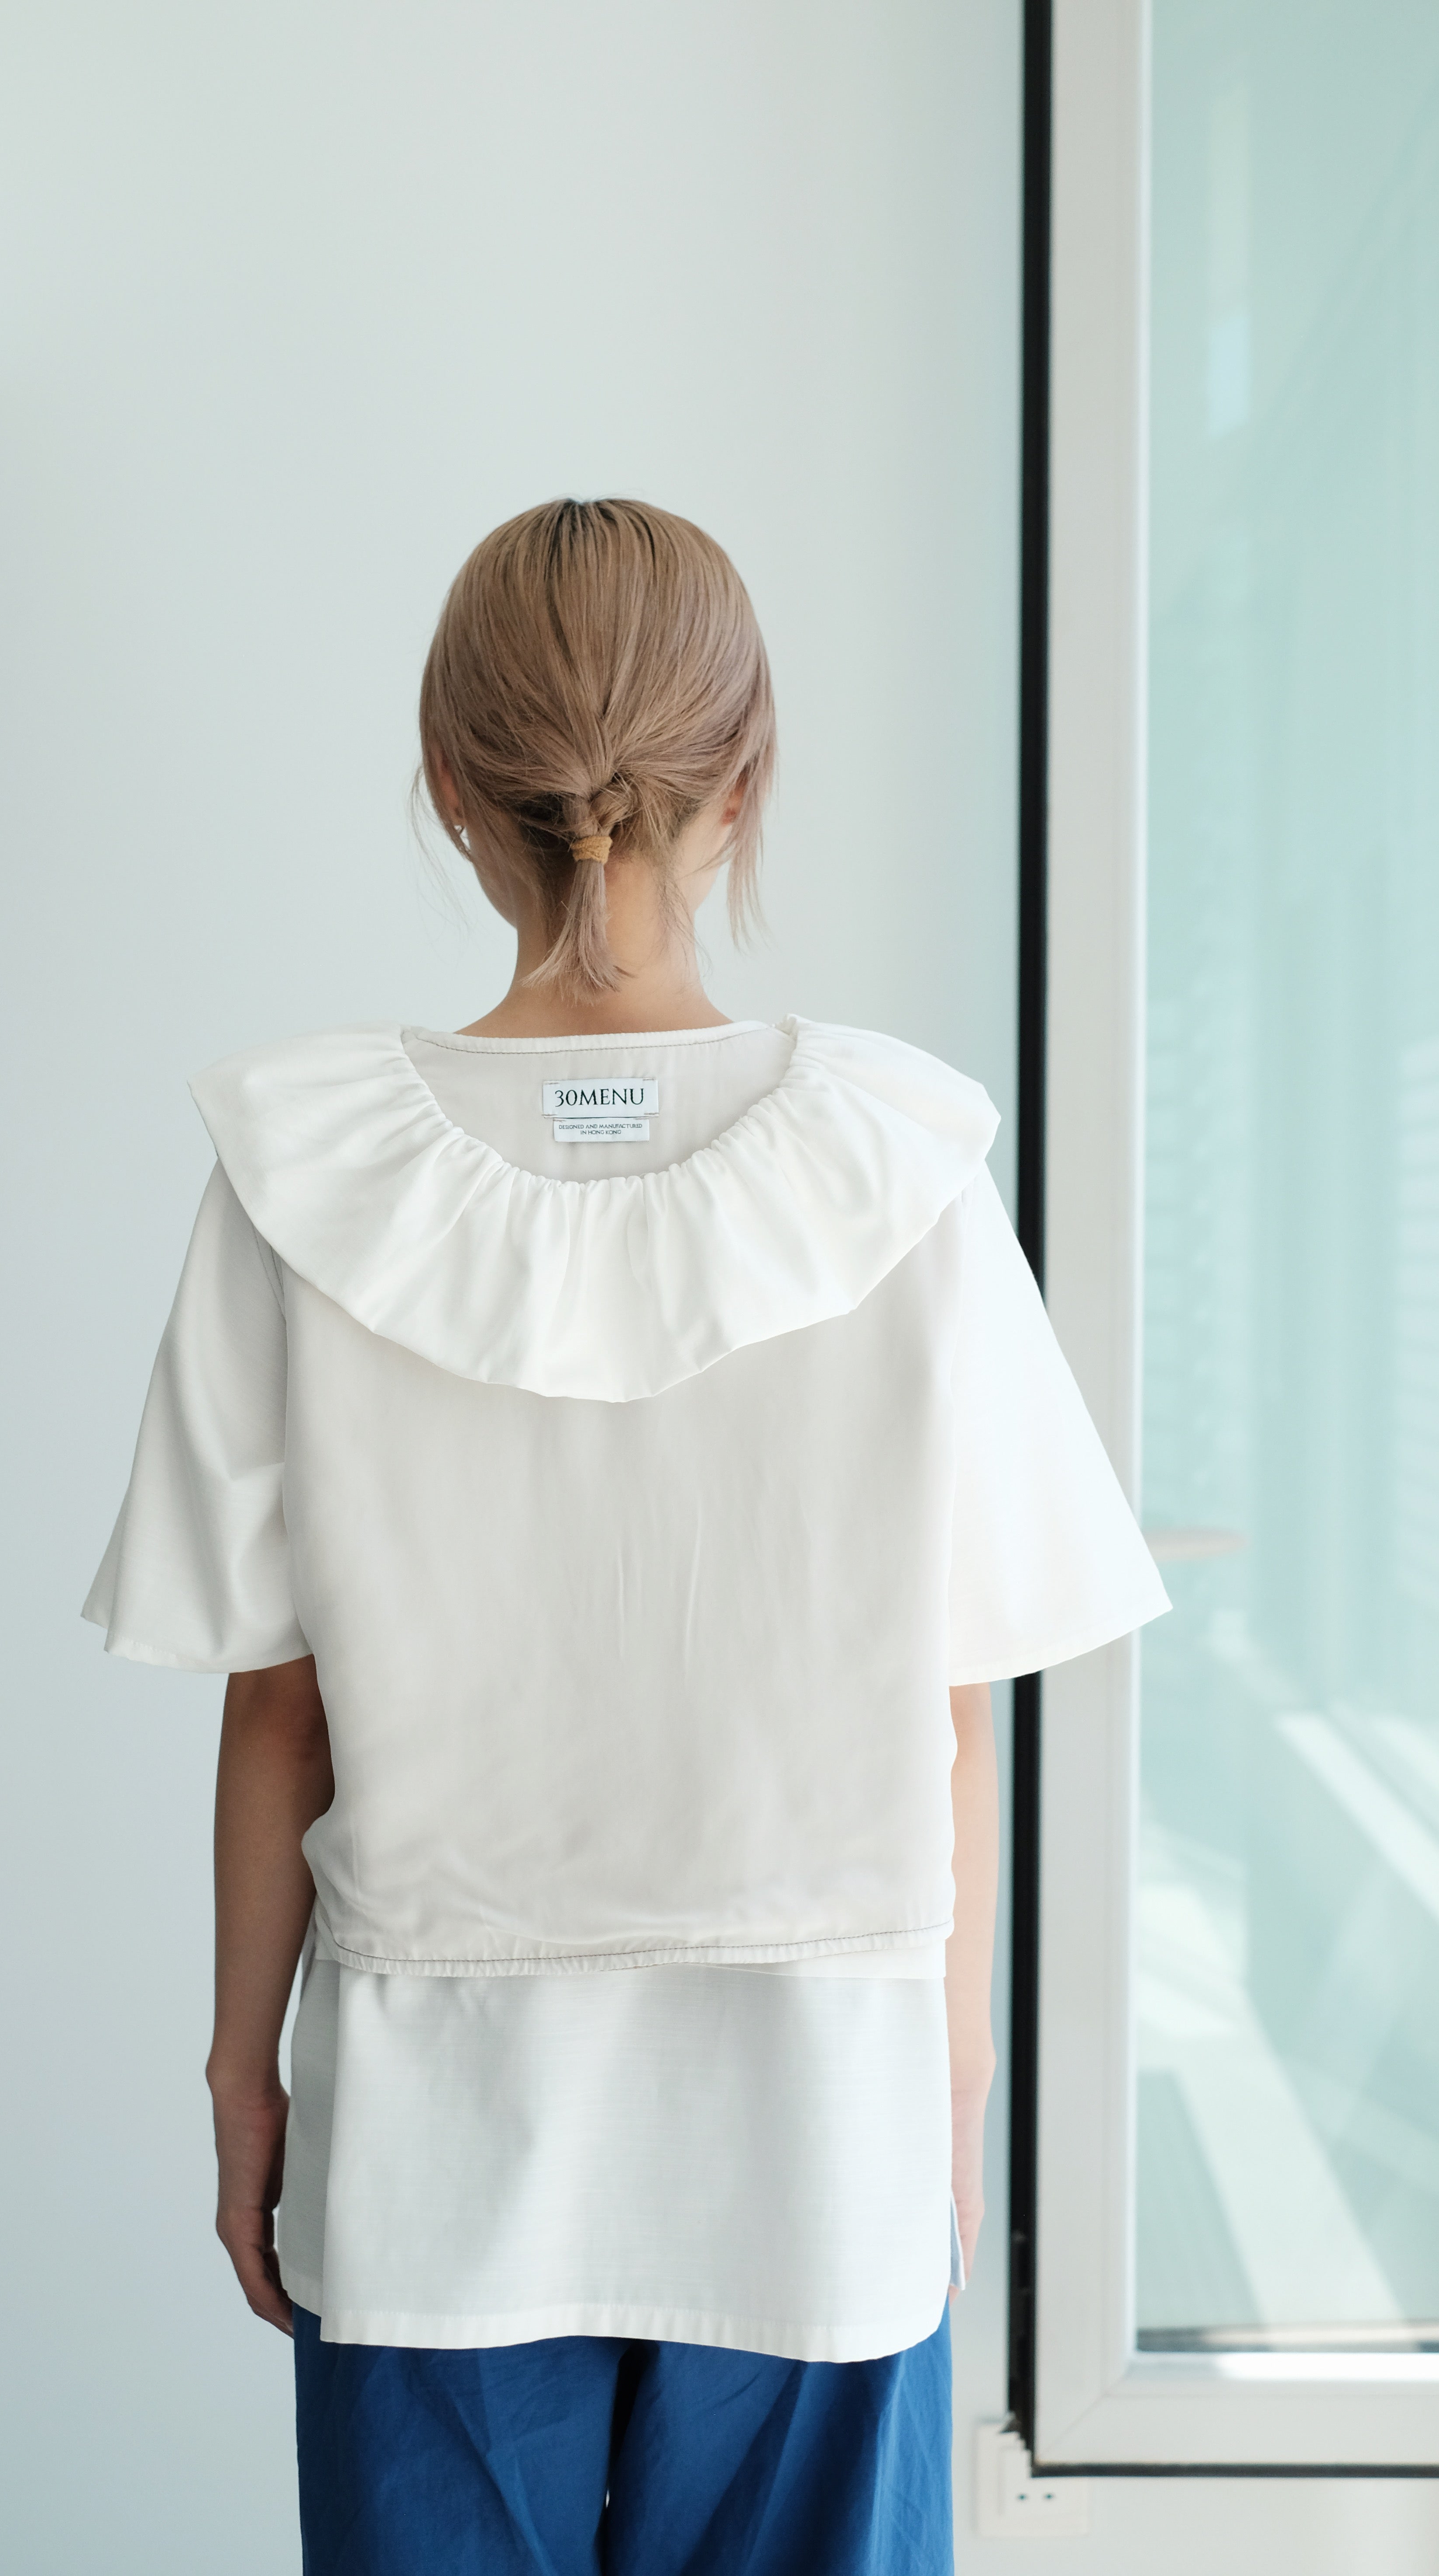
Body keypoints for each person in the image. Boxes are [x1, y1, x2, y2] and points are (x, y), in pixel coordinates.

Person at [84, 497, 1168, 2573]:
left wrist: (242, 2081)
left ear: (448, 784)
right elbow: (954, 1709)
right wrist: (945, 2100)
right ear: (747, 779)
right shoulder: (904, 1168)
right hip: (818, 2128)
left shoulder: (302, 1176)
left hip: (433, 2132)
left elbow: (279, 1709)